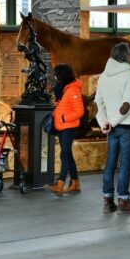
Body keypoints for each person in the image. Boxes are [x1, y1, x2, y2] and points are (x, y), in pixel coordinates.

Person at [95, 42, 130, 215]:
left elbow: (98, 103)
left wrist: (104, 123)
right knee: (125, 164)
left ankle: (108, 200)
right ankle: (123, 199)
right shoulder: (129, 75)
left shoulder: (103, 76)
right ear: (127, 56)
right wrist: (113, 122)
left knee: (110, 162)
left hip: (111, 128)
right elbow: (127, 104)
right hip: (127, 126)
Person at [48, 64, 84, 196]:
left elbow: (79, 111)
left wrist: (63, 118)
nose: (55, 76)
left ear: (63, 75)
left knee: (64, 153)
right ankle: (75, 183)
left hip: (69, 126)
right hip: (61, 126)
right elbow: (65, 105)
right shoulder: (64, 89)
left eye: (57, 74)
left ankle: (60, 183)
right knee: (67, 154)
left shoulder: (73, 89)